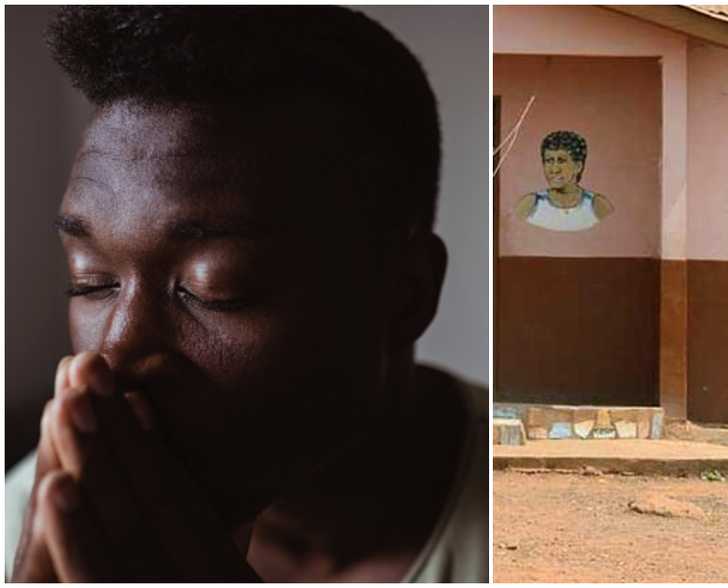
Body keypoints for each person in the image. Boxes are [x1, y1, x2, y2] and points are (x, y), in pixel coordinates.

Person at [6, 6, 487, 582]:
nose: (115, 355)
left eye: (215, 290)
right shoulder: (29, 527)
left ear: (407, 292)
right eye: (92, 281)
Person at [515, 130, 614, 232]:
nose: (554, 169)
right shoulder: (531, 204)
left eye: (561, 161)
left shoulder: (596, 205)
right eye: (549, 161)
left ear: (578, 166)